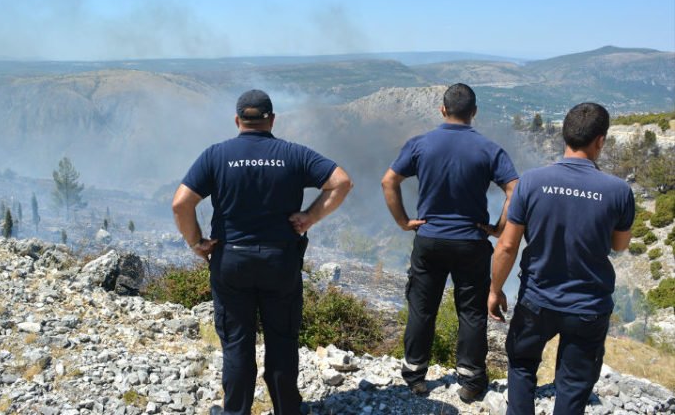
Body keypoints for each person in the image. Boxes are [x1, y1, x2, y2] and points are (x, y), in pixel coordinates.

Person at [172, 89, 352, 415]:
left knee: (237, 345)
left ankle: (235, 411)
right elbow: (341, 182)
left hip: (232, 261)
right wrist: (310, 216)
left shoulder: (216, 155)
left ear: (238, 120)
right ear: (271, 119)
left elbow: (181, 203)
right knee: (282, 343)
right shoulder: (293, 154)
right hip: (279, 261)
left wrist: (196, 242)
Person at [488, 103, 634, 414]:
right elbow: (620, 245)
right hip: (588, 307)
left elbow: (506, 246)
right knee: (573, 385)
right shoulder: (618, 191)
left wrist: (494, 290)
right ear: (600, 141)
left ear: (564, 136)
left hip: (536, 301)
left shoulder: (532, 181)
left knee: (522, 364)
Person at [381, 83, 518, 401]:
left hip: (429, 239)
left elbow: (389, 181)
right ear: (474, 113)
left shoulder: (420, 144)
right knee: (471, 312)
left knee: (422, 308)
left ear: (442, 110)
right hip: (471, 241)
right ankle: (470, 381)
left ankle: (415, 376)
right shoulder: (489, 149)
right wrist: (498, 227)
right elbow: (514, 188)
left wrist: (403, 222)